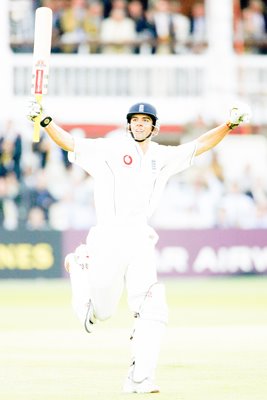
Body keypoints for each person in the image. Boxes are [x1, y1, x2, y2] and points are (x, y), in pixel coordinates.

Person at [27, 99, 251, 393]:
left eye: (145, 120)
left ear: (155, 128)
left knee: (153, 304)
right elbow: (69, 142)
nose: (139, 124)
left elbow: (200, 144)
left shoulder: (163, 156)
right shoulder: (109, 150)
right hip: (107, 238)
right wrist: (44, 121)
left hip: (139, 238)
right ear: (129, 124)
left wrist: (229, 125)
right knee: (96, 316)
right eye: (135, 120)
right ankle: (80, 265)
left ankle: (139, 378)